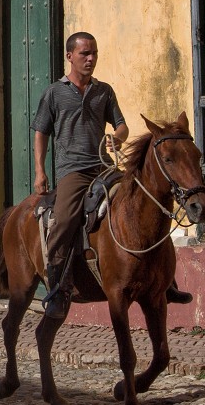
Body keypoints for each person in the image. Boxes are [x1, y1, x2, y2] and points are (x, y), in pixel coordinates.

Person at [32, 31, 192, 320]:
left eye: (94, 53)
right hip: (74, 171)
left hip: (104, 167)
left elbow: (122, 126)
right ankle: (56, 286)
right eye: (85, 54)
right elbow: (41, 132)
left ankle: (167, 283)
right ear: (70, 57)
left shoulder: (104, 91)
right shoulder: (54, 93)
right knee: (66, 219)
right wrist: (40, 171)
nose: (91, 58)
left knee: (143, 204)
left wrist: (117, 138)